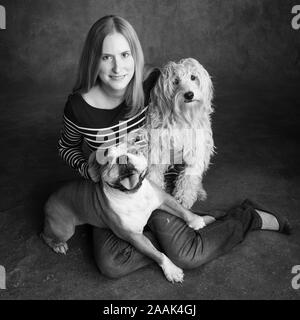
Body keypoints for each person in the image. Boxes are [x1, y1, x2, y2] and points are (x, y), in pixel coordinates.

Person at [58, 15, 291, 279]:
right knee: (112, 264)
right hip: (109, 193)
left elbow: (188, 109)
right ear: (92, 59)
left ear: (135, 55)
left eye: (125, 55)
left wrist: (187, 149)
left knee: (188, 255)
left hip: (152, 185)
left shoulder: (151, 83)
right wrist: (85, 167)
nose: (118, 68)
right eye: (106, 57)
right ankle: (181, 231)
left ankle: (249, 217)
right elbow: (66, 147)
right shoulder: (78, 107)